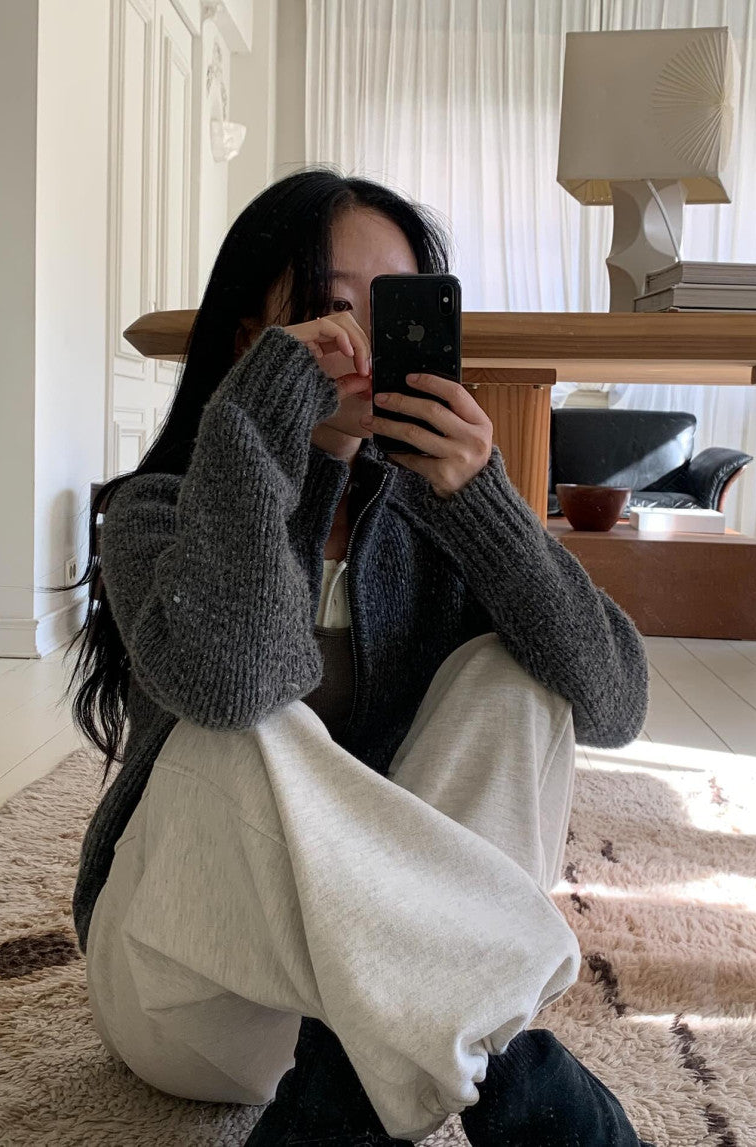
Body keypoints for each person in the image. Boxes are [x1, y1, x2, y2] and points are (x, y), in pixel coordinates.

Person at [58, 168, 654, 1146]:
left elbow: (613, 703)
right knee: (242, 722)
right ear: (251, 341)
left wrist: (483, 504)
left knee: (514, 682)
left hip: (352, 1030)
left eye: (394, 311)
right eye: (329, 308)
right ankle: (511, 1068)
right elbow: (234, 679)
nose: (365, 343)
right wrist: (261, 432)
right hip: (196, 1000)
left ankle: (346, 1103)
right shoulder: (156, 512)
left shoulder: (438, 517)